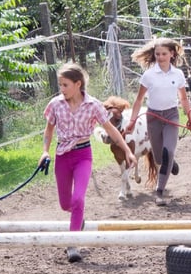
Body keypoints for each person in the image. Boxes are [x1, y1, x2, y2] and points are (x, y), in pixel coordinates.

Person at [40, 62, 136, 262]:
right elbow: (49, 131)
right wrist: (44, 152)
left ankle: (73, 244)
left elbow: (110, 130)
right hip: (62, 156)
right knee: (65, 203)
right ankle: (78, 219)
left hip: (83, 155)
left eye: (65, 85)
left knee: (78, 200)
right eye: (60, 85)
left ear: (78, 84)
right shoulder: (55, 104)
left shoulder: (93, 105)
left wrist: (127, 151)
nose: (62, 89)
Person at [125, 37, 191, 206]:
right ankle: (170, 162)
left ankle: (160, 191)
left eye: (164, 54)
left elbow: (184, 99)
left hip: (171, 116)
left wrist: (190, 119)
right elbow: (138, 100)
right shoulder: (149, 75)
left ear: (172, 54)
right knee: (158, 156)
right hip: (153, 118)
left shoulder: (178, 74)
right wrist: (132, 121)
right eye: (157, 54)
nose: (160, 57)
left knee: (167, 152)